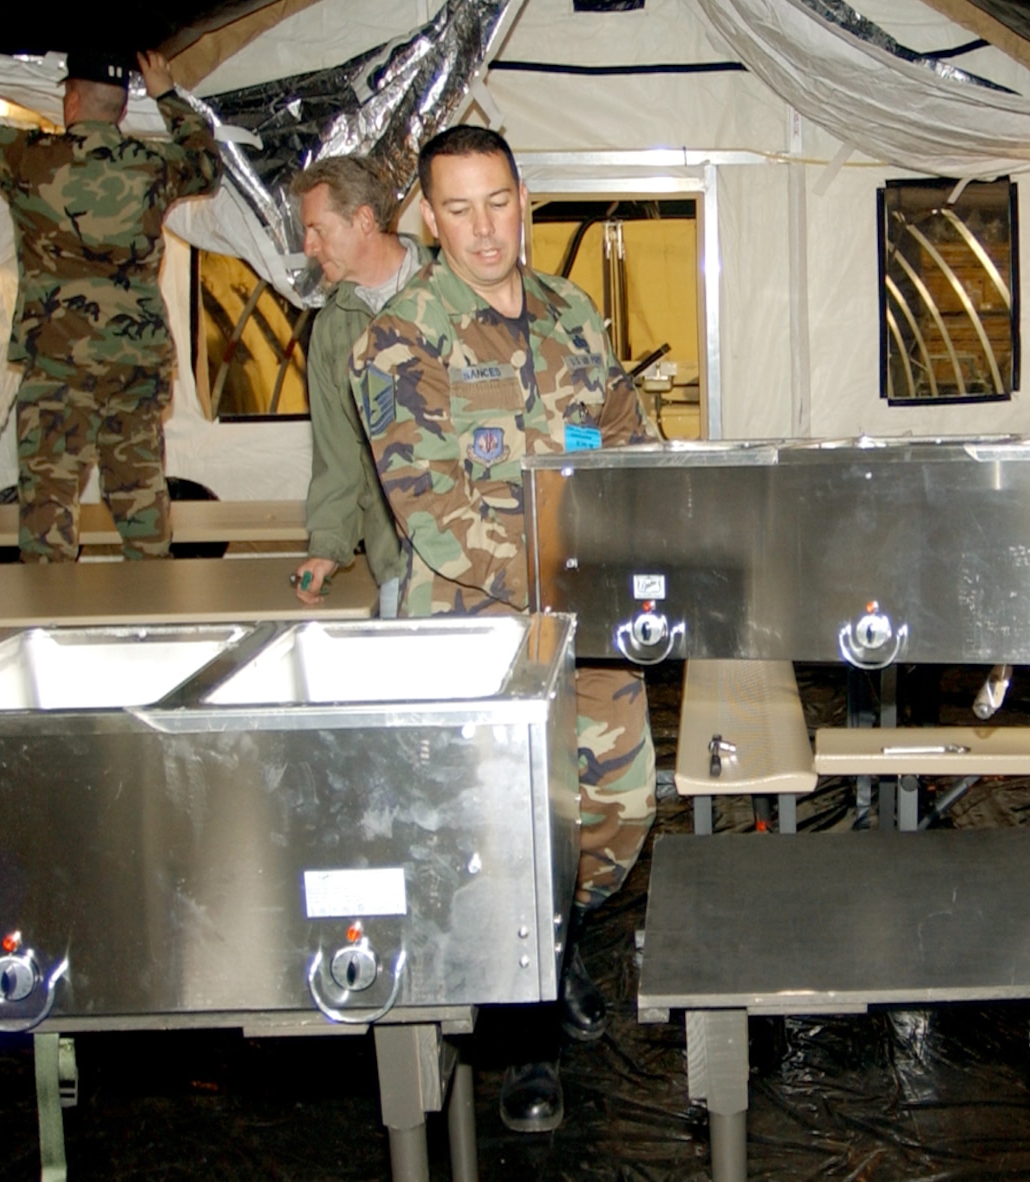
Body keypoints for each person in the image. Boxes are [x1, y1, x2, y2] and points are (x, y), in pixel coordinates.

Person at [350, 124, 658, 1133]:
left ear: (522, 199)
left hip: (591, 627)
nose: (483, 230)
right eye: (459, 209)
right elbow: (432, 521)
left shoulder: (573, 312)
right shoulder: (398, 338)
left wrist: (655, 523)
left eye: (498, 203)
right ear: (428, 220)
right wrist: (567, 569)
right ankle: (521, 1044)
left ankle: (558, 948)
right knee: (509, 836)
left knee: (613, 818)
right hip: (479, 637)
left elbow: (625, 439)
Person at [0, 46, 221, 562]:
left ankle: (50, 629)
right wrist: (167, 93)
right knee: (142, 505)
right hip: (135, 362)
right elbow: (207, 164)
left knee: (48, 512)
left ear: (71, 102)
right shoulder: (154, 166)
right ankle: (150, 627)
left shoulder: (32, 158)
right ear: (123, 110)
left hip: (59, 364)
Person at [286, 157, 420, 617]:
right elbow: (338, 457)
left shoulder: (452, 290)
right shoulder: (331, 330)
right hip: (397, 564)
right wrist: (327, 547)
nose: (308, 246)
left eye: (318, 229)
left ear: (364, 220)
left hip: (487, 563)